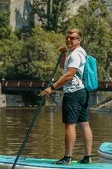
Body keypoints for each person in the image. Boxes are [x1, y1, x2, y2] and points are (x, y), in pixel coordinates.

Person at [40, 28, 94, 164]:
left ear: (79, 40)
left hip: (73, 93)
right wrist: (64, 54)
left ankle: (67, 158)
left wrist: (52, 88)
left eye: (72, 38)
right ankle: (88, 157)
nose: (69, 40)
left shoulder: (76, 54)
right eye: (68, 37)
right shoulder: (79, 53)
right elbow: (65, 67)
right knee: (84, 124)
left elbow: (69, 75)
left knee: (70, 125)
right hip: (82, 92)